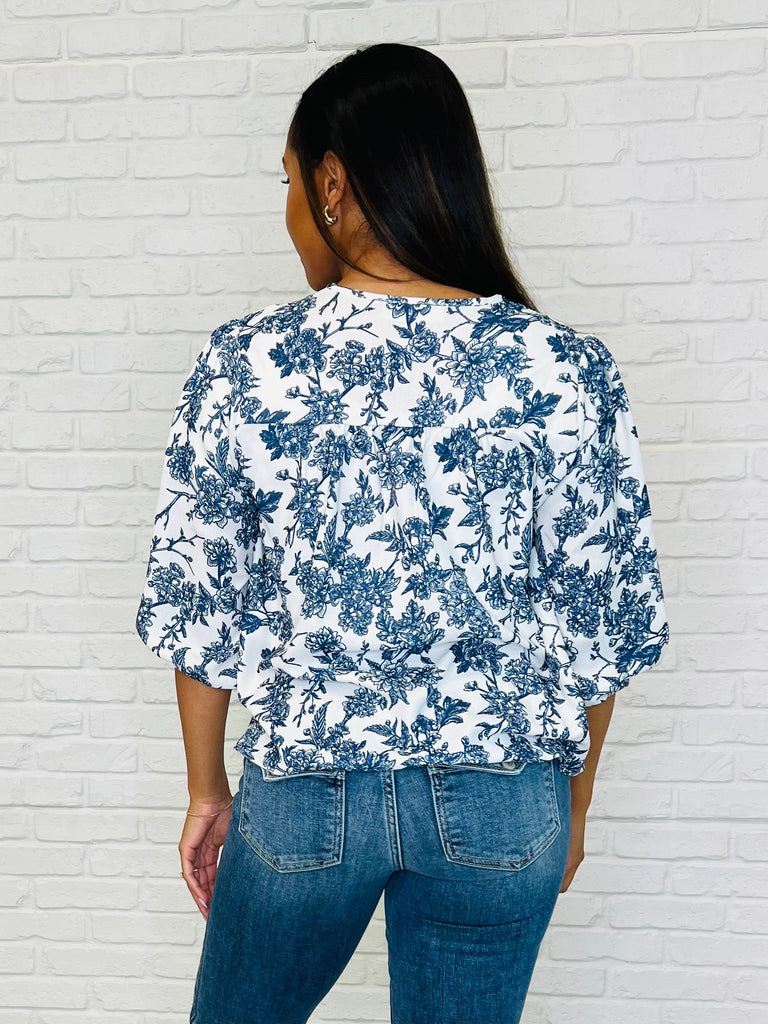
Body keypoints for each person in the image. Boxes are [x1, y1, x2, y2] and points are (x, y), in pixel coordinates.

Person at [135, 42, 670, 1024]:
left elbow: (199, 603)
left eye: (292, 183)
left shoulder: (246, 362)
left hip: (306, 795)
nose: (291, 209)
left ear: (334, 183)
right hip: (505, 800)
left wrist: (207, 790)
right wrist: (575, 801)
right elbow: (603, 620)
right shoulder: (566, 367)